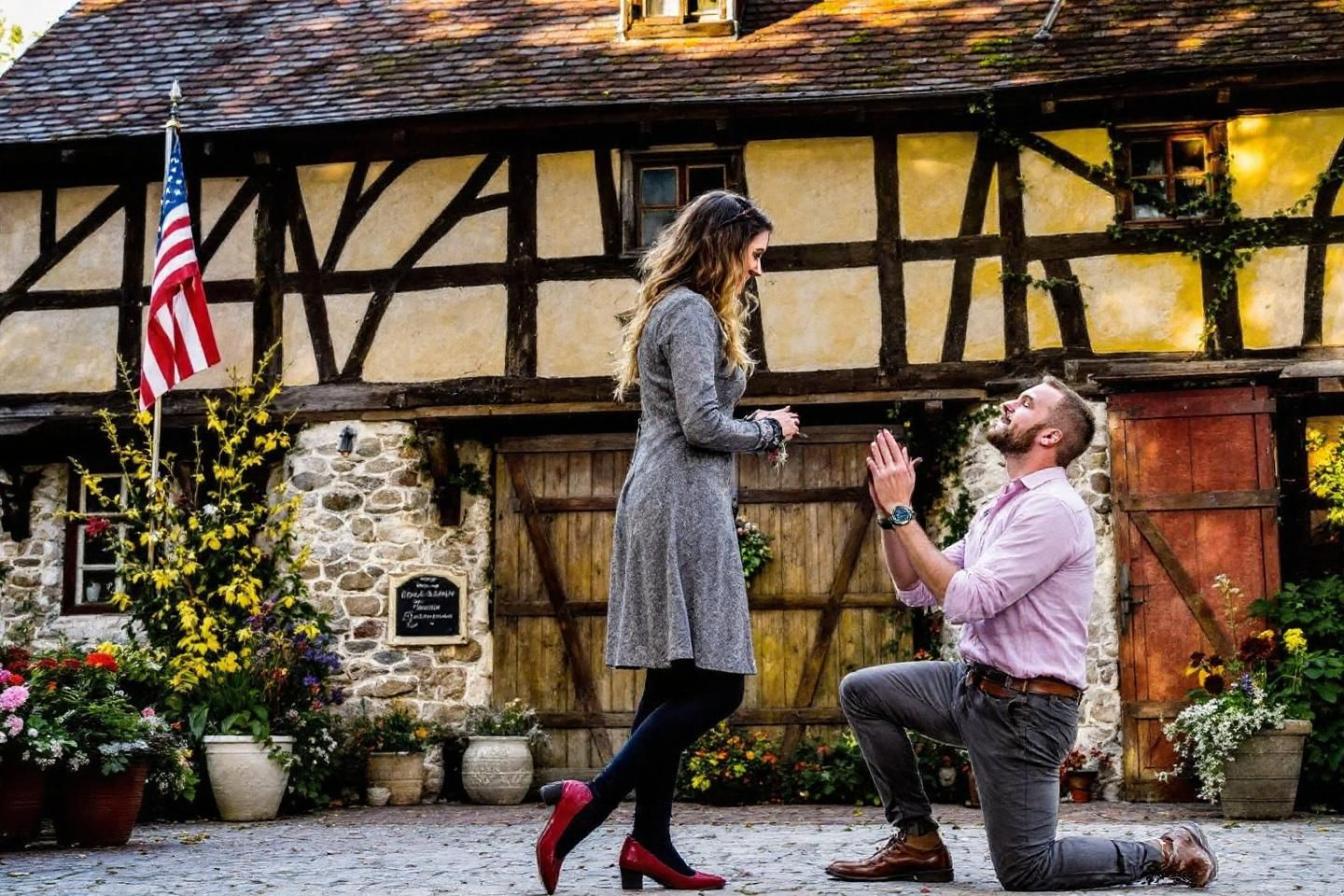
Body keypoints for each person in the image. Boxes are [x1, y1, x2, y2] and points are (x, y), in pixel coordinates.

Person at [826, 376, 1219, 890]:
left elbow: (966, 600)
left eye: (1027, 402)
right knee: (864, 692)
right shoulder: (999, 506)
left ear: (1051, 436)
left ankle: (1167, 853)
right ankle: (917, 842)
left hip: (1027, 711)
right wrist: (890, 515)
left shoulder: (1053, 510)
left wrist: (905, 514)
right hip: (971, 687)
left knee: (1026, 870)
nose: (1011, 404)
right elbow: (914, 586)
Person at [534, 190, 800, 894]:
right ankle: (588, 802)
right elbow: (702, 424)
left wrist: (755, 434)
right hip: (678, 501)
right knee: (717, 689)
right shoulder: (686, 310)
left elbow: (702, 423)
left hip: (678, 495)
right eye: (755, 254)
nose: (759, 270)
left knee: (671, 680)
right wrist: (768, 429)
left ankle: (648, 844)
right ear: (723, 245)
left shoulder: (688, 310)